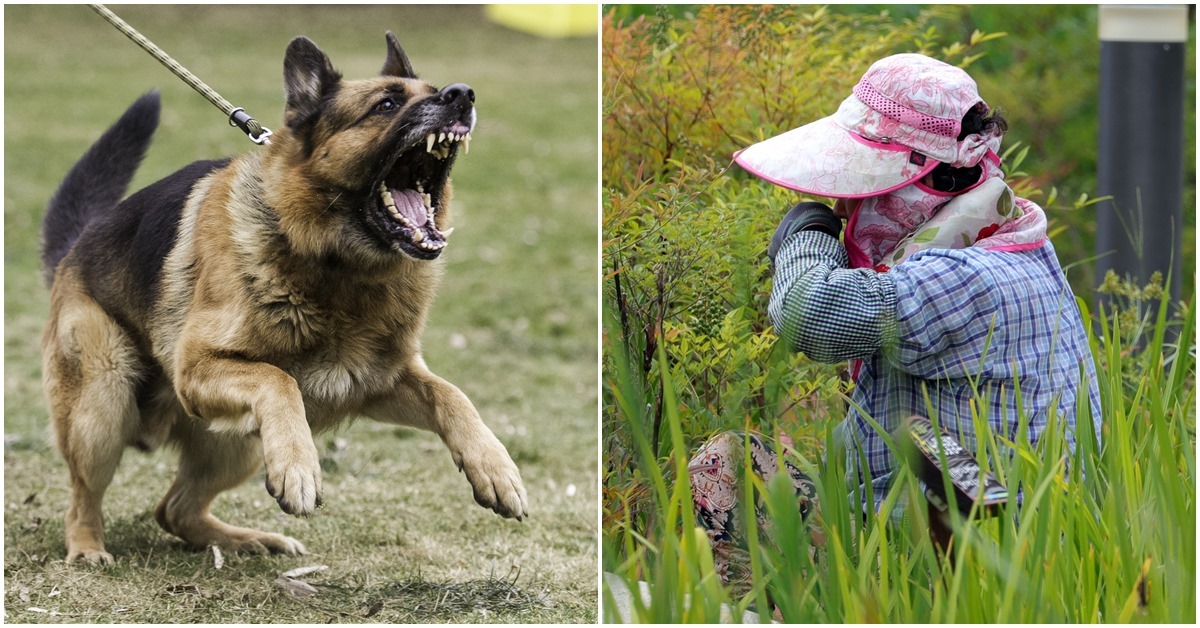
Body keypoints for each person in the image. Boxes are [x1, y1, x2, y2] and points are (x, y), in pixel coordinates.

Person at [689, 53, 1101, 593]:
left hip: (963, 568)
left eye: (865, 190)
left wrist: (806, 237)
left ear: (922, 188)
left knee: (729, 464)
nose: (845, 206)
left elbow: (805, 313)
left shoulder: (968, 278)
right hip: (991, 537)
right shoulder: (1014, 245)